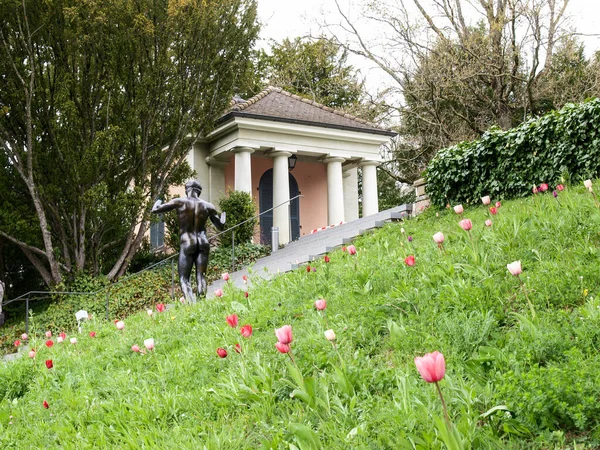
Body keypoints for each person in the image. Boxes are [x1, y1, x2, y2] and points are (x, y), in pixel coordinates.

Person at [151, 181, 226, 302]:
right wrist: (223, 216)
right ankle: (201, 304)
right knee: (201, 276)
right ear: (199, 191)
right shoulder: (208, 206)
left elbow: (155, 210)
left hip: (187, 242)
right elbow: (221, 225)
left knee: (184, 279)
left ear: (187, 189)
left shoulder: (180, 202)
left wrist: (158, 201)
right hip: (203, 241)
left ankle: (191, 306)